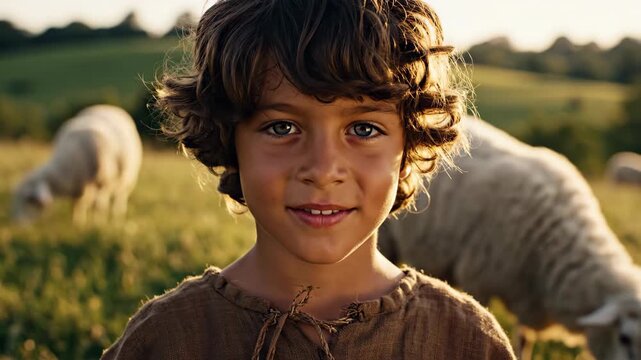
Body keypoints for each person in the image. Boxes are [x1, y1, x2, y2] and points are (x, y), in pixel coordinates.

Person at [102, 0, 516, 359]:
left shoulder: (464, 340)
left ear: (409, 145)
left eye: (364, 129)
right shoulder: (168, 339)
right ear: (229, 138)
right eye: (282, 128)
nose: (322, 169)